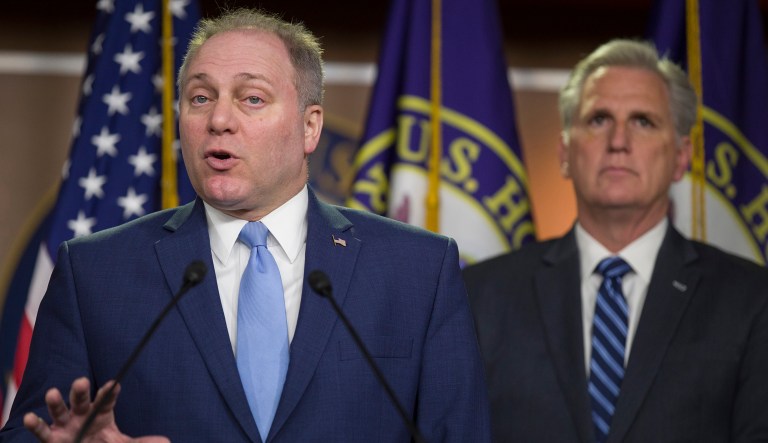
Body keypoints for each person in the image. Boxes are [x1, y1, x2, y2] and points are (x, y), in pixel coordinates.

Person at [0, 8, 490, 442]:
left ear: (309, 126)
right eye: (199, 98)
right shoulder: (95, 272)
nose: (218, 119)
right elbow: (36, 430)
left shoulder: (417, 269)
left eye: (251, 98)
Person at [464, 39, 768, 442]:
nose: (619, 141)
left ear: (681, 157)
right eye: (598, 119)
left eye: (643, 121)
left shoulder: (750, 300)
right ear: (565, 153)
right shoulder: (481, 295)